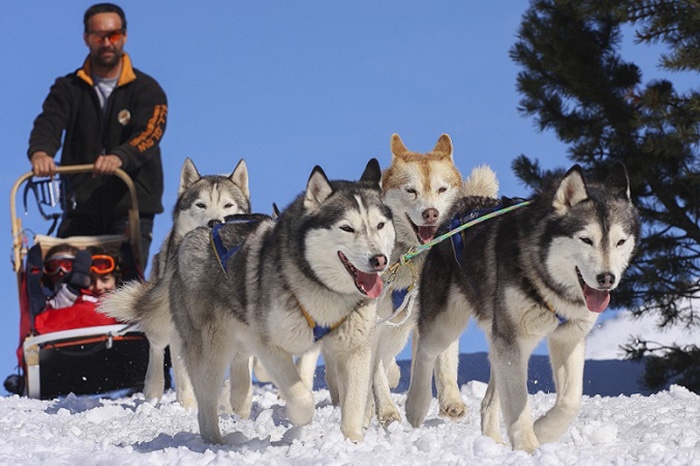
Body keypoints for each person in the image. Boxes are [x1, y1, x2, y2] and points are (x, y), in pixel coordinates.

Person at [27, 3, 168, 269]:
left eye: (113, 35)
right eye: (99, 36)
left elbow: (150, 133)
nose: (107, 42)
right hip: (81, 206)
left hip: (130, 206)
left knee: (121, 284)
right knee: (61, 274)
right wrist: (41, 152)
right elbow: (49, 121)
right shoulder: (68, 88)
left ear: (124, 36)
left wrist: (119, 157)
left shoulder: (147, 90)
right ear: (86, 38)